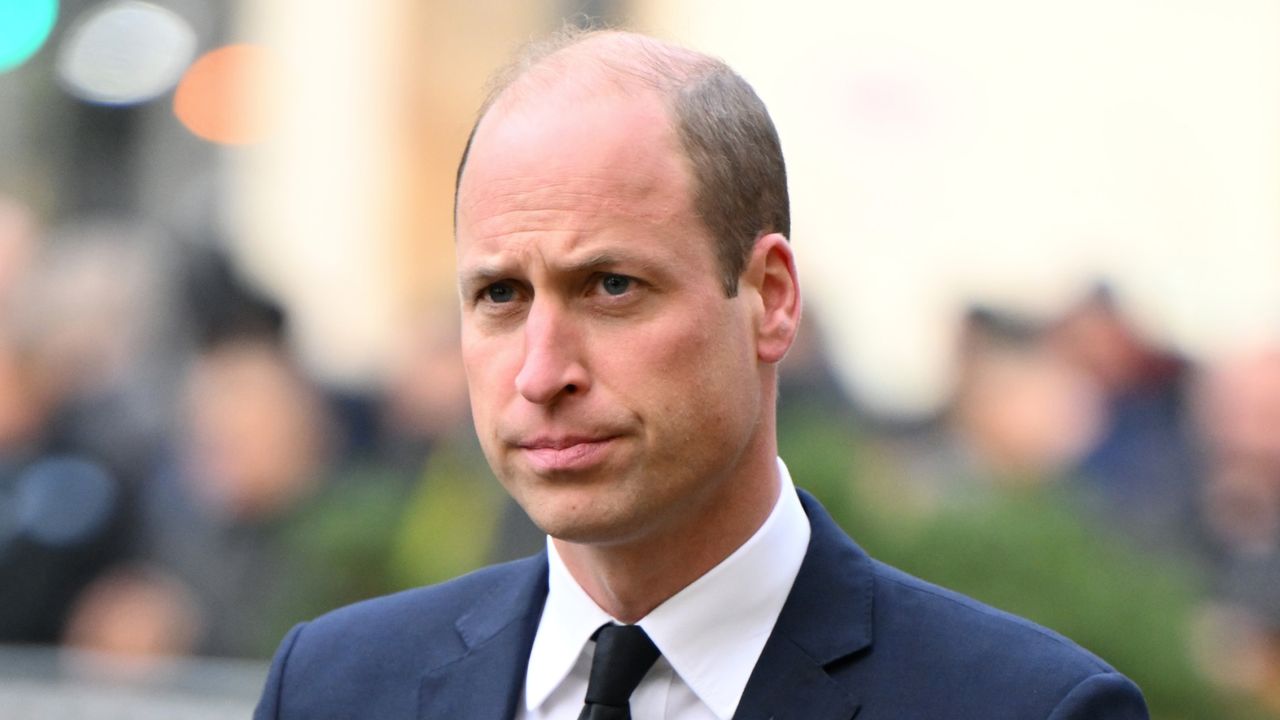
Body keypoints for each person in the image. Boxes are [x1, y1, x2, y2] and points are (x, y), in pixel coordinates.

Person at [254, 29, 1149, 719]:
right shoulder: (333, 687)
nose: (541, 371)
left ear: (769, 297)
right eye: (499, 294)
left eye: (611, 286)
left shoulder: (1021, 707)